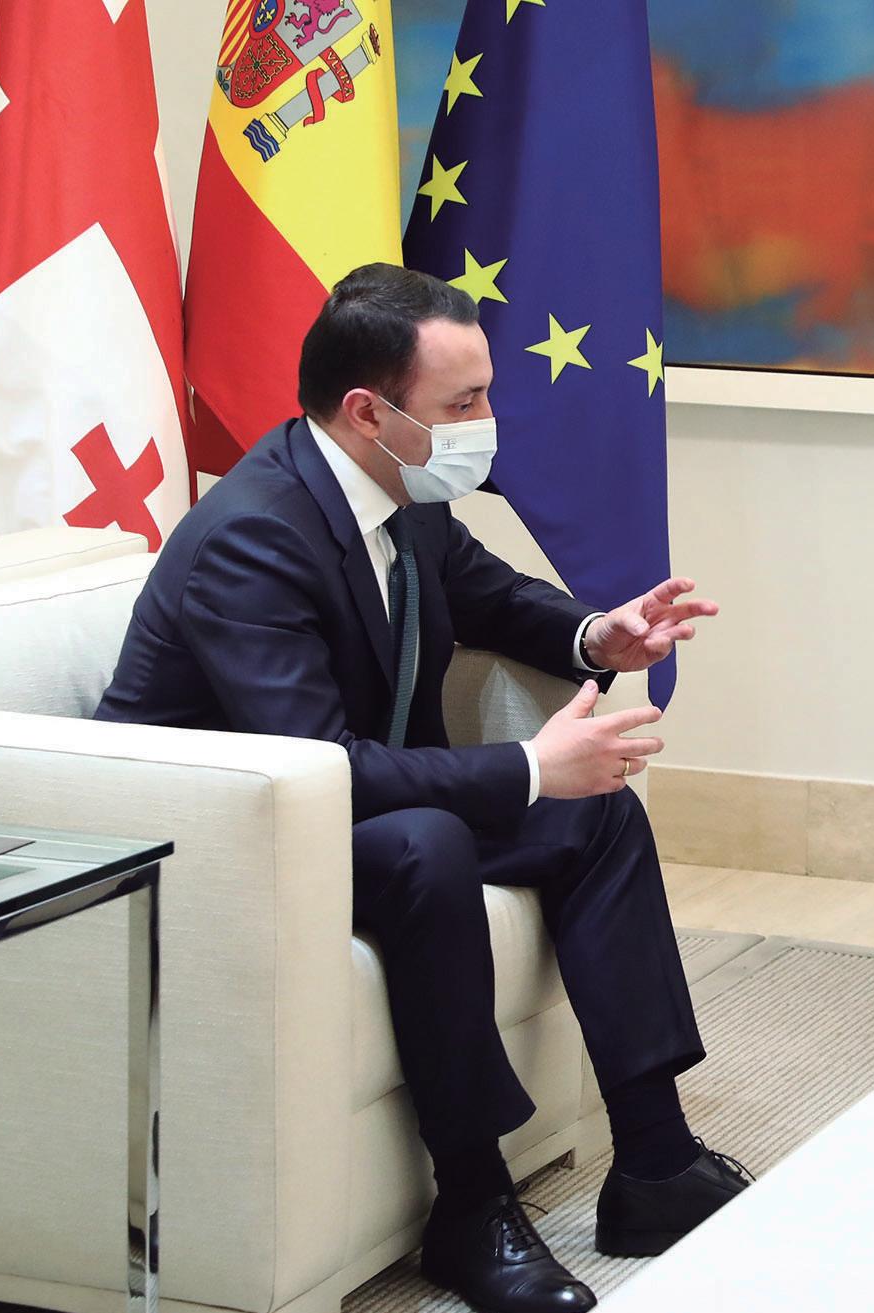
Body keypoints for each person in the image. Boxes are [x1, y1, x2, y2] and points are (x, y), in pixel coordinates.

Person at [96, 264, 747, 1311]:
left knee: (595, 814)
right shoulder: (254, 535)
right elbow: (316, 763)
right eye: (463, 402)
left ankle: (656, 1161)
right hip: (226, 836)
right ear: (369, 412)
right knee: (427, 842)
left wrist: (599, 633)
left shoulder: (402, 495)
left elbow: (492, 596)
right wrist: (528, 766)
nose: (487, 424)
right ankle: (471, 1205)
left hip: (349, 808)